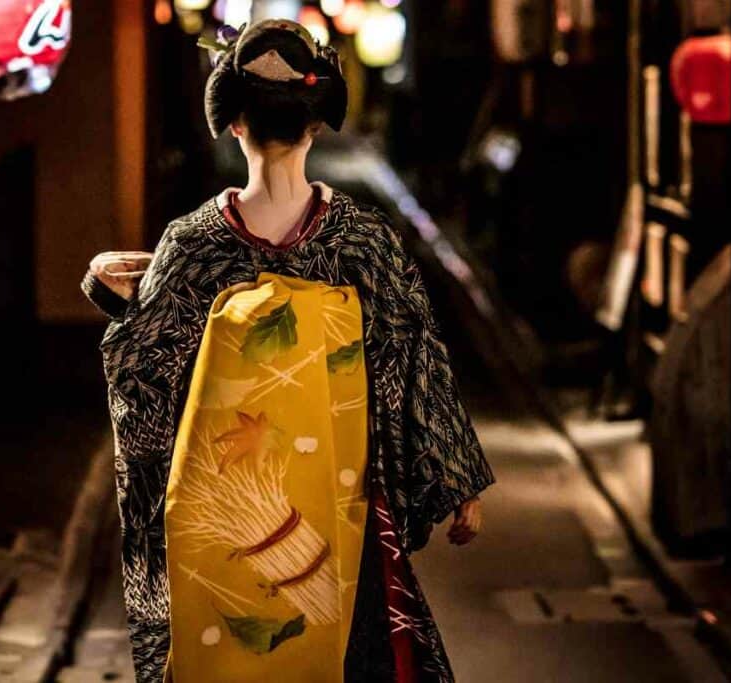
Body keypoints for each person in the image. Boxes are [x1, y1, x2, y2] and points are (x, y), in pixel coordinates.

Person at [81, 18, 494, 683]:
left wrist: (129, 304)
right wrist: (456, 477)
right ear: (316, 124)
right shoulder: (363, 240)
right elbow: (415, 356)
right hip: (340, 510)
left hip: (222, 520)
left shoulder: (191, 245)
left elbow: (141, 373)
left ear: (234, 122)